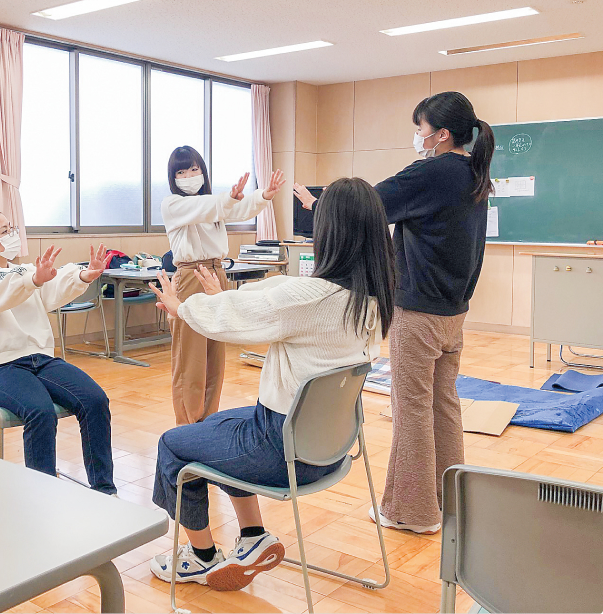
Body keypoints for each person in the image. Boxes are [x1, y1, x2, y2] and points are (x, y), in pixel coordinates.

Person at [147, 177, 395, 591]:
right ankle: (253, 538)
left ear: (330, 231)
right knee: (218, 427)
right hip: (331, 448)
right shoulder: (373, 298)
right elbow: (276, 293)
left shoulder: (306, 299)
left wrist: (184, 307)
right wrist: (220, 299)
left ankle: (202, 556)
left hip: (281, 450)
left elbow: (254, 313)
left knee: (174, 444)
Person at [293, 91, 494, 534]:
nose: (417, 137)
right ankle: (450, 500)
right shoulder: (474, 174)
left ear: (442, 135)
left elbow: (366, 206)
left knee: (413, 408)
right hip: (453, 313)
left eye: (420, 129)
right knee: (444, 404)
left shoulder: (430, 173)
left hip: (419, 312)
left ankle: (412, 512)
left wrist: (317, 205)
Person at [0, 208, 117, 495]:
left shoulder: (25, 270)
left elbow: (51, 286)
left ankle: (104, 490)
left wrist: (83, 275)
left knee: (95, 400)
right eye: (4, 231)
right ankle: (43, 496)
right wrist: (34, 280)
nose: (13, 235)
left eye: (12, 228)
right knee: (40, 411)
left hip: (39, 360)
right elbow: (3, 290)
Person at [161, 145, 284, 425]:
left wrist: (262, 196)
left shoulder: (213, 203)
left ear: (203, 171)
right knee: (190, 359)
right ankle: (187, 428)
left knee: (214, 355)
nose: (189, 175)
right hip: (191, 276)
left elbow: (236, 208)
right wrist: (228, 198)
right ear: (173, 177)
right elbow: (211, 206)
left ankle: (207, 421)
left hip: (217, 274)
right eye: (181, 171)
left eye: (194, 169)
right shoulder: (173, 204)